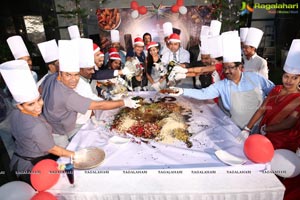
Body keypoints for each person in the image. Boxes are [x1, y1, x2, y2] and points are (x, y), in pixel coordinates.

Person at [40, 40, 140, 147]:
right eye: (68, 75)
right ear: (60, 73)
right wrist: (124, 102)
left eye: (76, 75)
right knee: (69, 157)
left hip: (61, 125)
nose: (73, 80)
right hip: (57, 132)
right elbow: (98, 105)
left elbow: (40, 91)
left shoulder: (50, 78)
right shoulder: (68, 95)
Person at [170, 32, 275, 130]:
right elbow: (203, 93)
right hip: (237, 128)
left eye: (230, 67)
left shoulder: (255, 78)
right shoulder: (222, 85)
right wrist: (182, 91)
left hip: (261, 126)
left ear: (240, 67)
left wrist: (270, 113)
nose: (226, 71)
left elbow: (274, 92)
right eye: (224, 68)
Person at [0, 60, 74, 184]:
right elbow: (54, 149)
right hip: (33, 167)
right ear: (20, 106)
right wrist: (76, 155)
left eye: (39, 100)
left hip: (19, 160)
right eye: (31, 104)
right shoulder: (36, 126)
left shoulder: (14, 113)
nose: (38, 106)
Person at [238, 39, 300, 149]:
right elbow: (262, 109)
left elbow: (289, 123)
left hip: (284, 142)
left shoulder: (298, 99)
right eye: (286, 76)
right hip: (265, 136)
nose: (289, 81)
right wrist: (247, 128)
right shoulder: (277, 89)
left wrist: (266, 129)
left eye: (294, 78)